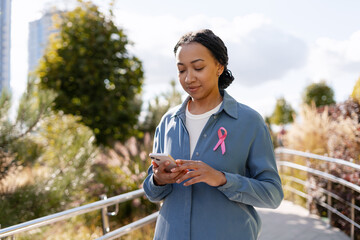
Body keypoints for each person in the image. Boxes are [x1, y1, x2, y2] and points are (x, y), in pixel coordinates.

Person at [143, 29, 284, 240]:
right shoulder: (168, 122)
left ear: (220, 66)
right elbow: (151, 192)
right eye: (181, 70)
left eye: (198, 67)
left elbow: (273, 195)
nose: (189, 78)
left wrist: (221, 179)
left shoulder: (249, 122)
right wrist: (158, 179)